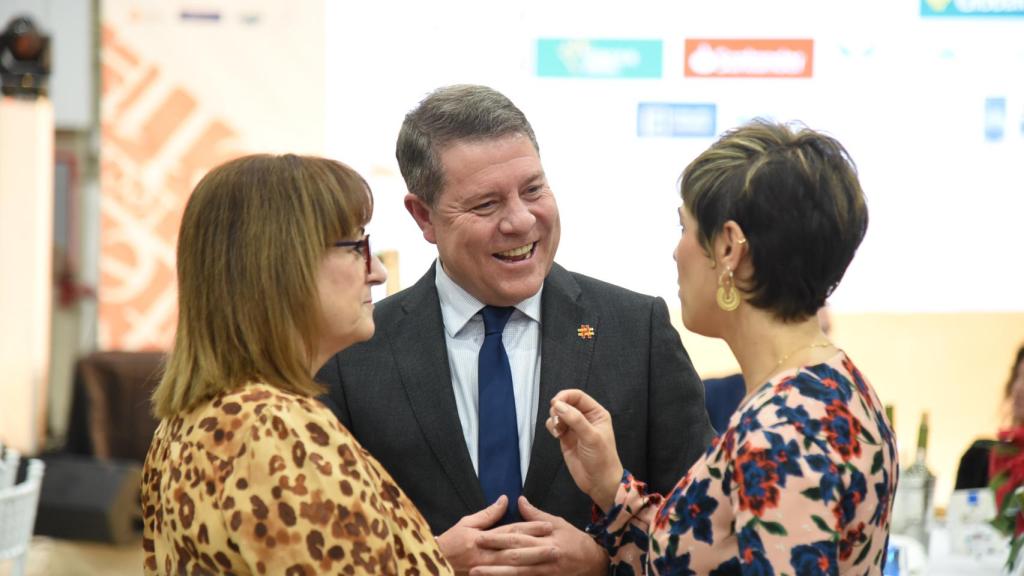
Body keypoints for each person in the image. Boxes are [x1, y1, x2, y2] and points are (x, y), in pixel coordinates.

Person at [316, 84, 714, 574]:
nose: (521, 221)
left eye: (533, 190)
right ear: (424, 216)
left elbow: (708, 537)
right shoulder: (355, 354)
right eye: (486, 205)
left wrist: (605, 561)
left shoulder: (637, 330)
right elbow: (317, 552)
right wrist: (426, 563)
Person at [536, 120, 898, 574]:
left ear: (728, 247)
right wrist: (613, 490)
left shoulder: (781, 431)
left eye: (684, 227)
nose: (676, 251)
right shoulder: (836, 385)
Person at [141, 155, 452, 575]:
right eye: (356, 245)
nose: (377, 272)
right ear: (283, 265)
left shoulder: (187, 423)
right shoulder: (273, 428)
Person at [703, 306, 833, 433]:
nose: (818, 345)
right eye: (803, 333)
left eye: (824, 332)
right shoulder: (711, 396)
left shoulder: (835, 402)